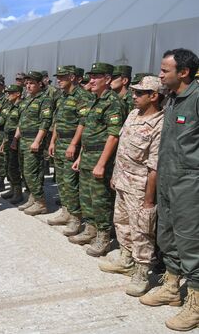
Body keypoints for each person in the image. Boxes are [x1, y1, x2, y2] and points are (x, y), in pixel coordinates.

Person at [139, 48, 199, 332]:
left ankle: (197, 302)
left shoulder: (197, 98)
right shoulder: (173, 100)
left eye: (165, 70)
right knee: (167, 234)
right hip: (167, 179)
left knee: (191, 241)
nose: (160, 74)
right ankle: (173, 288)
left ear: (183, 72)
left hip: (190, 183)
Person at [99, 76, 164, 297]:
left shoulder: (159, 124)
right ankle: (126, 260)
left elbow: (154, 167)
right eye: (134, 92)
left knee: (142, 231)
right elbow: (123, 149)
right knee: (122, 222)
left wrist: (148, 199)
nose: (133, 96)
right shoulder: (133, 115)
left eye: (139, 93)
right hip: (123, 181)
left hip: (140, 187)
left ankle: (142, 271)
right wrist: (116, 176)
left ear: (153, 96)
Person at [69, 62, 124, 257]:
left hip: (101, 158)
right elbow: (89, 132)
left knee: (100, 199)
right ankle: (90, 229)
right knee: (86, 196)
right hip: (88, 156)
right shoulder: (95, 100)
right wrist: (81, 156)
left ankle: (103, 236)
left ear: (107, 79)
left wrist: (101, 163)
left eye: (96, 77)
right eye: (91, 76)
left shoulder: (113, 102)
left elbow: (114, 135)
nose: (91, 80)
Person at [47, 65, 95, 236]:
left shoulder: (83, 96)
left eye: (63, 77)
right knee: (61, 181)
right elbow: (56, 122)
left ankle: (76, 218)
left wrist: (74, 144)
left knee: (71, 183)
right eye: (58, 77)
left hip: (71, 144)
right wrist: (52, 141)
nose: (58, 80)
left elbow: (84, 123)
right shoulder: (62, 96)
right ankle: (66, 212)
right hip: (60, 142)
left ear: (73, 77)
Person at [15, 71, 53, 216]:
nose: (28, 86)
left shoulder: (45, 100)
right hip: (23, 140)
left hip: (33, 140)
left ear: (39, 84)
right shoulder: (26, 100)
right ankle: (33, 198)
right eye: (27, 84)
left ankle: (41, 203)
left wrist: (37, 141)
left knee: (32, 173)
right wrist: (15, 139)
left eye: (32, 83)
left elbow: (45, 122)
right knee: (25, 172)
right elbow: (21, 121)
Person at [0, 84, 24, 204]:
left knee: (14, 166)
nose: (7, 95)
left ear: (18, 93)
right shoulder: (9, 106)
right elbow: (6, 125)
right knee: (8, 164)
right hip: (9, 138)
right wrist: (4, 141)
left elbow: (21, 125)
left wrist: (14, 140)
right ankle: (12, 189)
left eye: (10, 93)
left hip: (17, 139)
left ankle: (18, 193)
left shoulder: (22, 106)